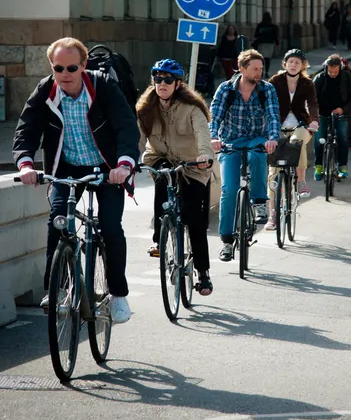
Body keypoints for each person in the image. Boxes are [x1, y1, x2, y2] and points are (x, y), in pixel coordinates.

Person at [12, 37, 140, 323]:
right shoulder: (46, 90)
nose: (65, 74)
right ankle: (56, 289)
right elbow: (26, 130)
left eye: (72, 67)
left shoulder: (103, 86)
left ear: (83, 65)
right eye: (59, 68)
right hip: (66, 168)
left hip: (106, 168)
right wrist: (25, 164)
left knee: (110, 226)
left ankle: (118, 294)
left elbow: (126, 127)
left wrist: (124, 164)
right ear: (51, 67)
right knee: (57, 220)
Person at [136, 59, 214, 295]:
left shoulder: (192, 108)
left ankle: (203, 273)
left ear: (177, 84)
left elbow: (202, 134)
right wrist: (127, 161)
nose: (162, 83)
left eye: (168, 80)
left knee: (194, 218)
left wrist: (204, 155)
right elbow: (137, 140)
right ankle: (159, 239)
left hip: (193, 165)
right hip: (160, 157)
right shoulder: (145, 108)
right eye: (158, 79)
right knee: (162, 178)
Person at [210, 49, 280, 261]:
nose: (259, 72)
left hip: (257, 137)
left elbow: (273, 115)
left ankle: (259, 201)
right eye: (255, 69)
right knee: (229, 190)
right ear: (242, 69)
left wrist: (273, 138)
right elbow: (215, 117)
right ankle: (227, 242)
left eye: (261, 68)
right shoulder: (225, 89)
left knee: (258, 155)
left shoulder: (266, 89)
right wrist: (214, 137)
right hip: (230, 141)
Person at [266, 49, 319, 229]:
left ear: (303, 65)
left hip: (301, 125)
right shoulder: (275, 81)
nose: (294, 65)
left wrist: (315, 121)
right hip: (277, 126)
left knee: (297, 142)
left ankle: (302, 181)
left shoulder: (307, 83)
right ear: (285, 64)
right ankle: (272, 215)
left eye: (297, 62)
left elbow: (312, 103)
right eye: (291, 61)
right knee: (273, 174)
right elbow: (266, 101)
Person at [312, 54, 351, 180]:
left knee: (343, 138)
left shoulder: (347, 77)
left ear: (340, 68)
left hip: (341, 113)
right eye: (330, 71)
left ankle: (342, 166)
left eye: (335, 71)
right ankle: (319, 166)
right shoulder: (319, 78)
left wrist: (343, 109)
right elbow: (311, 99)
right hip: (322, 113)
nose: (333, 74)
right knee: (319, 140)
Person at [254, 12, 279, 78]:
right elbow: (275, 36)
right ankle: (266, 72)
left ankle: (261, 72)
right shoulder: (273, 26)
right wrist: (277, 43)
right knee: (267, 59)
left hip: (261, 43)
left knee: (261, 59)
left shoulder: (260, 26)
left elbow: (256, 35)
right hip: (269, 44)